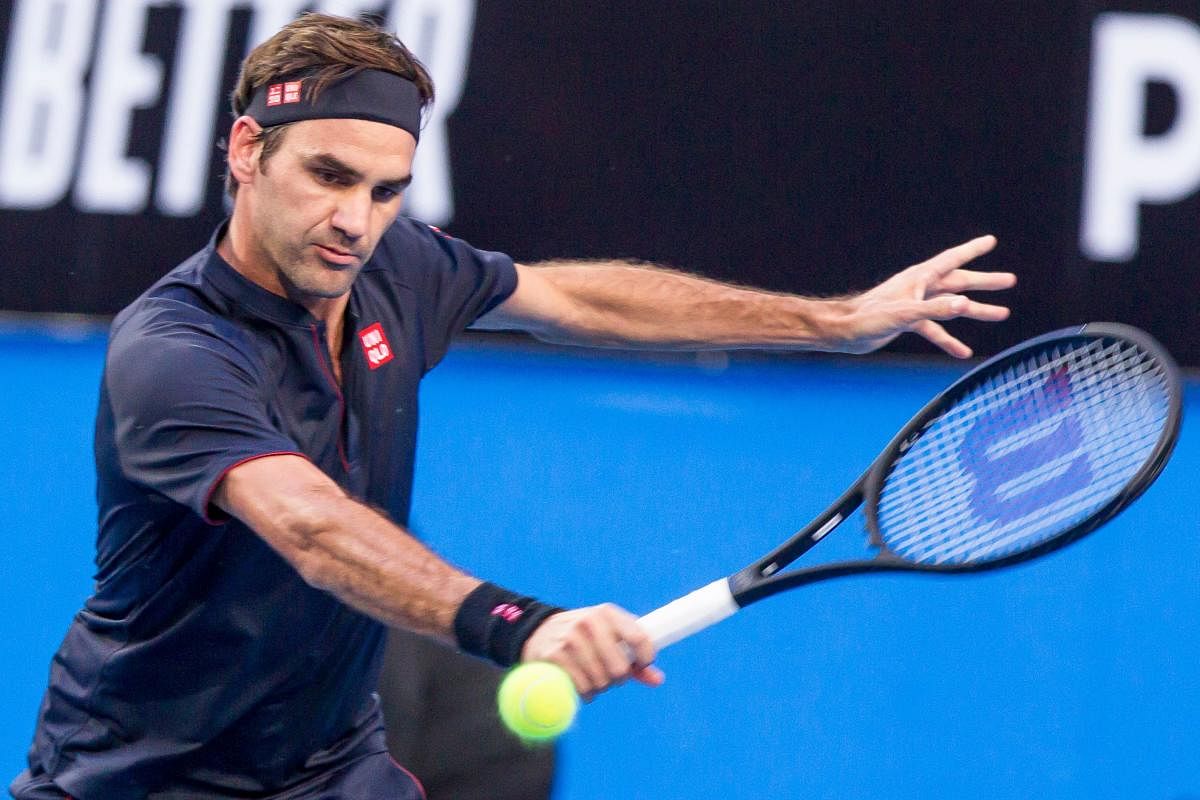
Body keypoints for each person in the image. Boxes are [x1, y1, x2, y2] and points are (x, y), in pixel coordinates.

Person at [10, 12, 1016, 800]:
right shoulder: (174, 349)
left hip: (324, 765)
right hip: (139, 774)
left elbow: (579, 296)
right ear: (244, 149)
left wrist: (832, 320)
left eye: (385, 188)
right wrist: (516, 622)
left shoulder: (394, 267)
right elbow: (312, 529)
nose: (354, 220)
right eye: (327, 176)